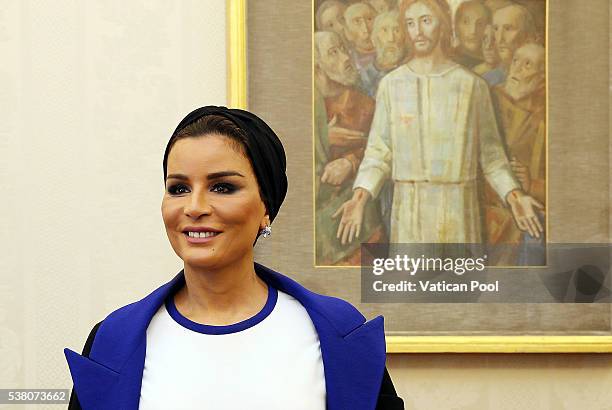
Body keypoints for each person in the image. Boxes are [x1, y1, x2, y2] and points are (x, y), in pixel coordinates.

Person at [64, 106, 403, 409]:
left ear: (265, 208)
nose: (194, 207)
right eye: (178, 188)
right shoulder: (113, 342)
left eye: (223, 187)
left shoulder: (339, 333)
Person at [333, 0, 544, 245]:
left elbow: (492, 156)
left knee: (460, 281)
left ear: (442, 24)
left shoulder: (472, 85)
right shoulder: (392, 84)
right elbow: (379, 152)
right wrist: (359, 199)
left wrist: (515, 196)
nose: (418, 31)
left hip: (460, 209)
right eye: (411, 23)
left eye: (426, 21)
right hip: (409, 210)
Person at [314, 32, 386, 265]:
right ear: (316, 65)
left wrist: (351, 161)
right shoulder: (306, 106)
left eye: (344, 49)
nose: (346, 58)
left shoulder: (365, 104)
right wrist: (324, 137)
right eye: (333, 53)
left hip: (359, 219)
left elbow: (384, 148)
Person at [484, 42, 546, 264]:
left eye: (527, 65)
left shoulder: (547, 117)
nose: (517, 69)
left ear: (542, 79)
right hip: (488, 203)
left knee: (535, 229)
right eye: (516, 61)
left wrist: (531, 185)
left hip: (531, 208)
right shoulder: (488, 100)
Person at [492, 3, 537, 78]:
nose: (499, 39)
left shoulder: (538, 79)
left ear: (527, 34)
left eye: (508, 28)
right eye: (496, 29)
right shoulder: (489, 78)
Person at [452, 0, 490, 69]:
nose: (473, 31)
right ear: (456, 26)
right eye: (466, 22)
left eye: (480, 24)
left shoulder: (493, 64)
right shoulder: (449, 61)